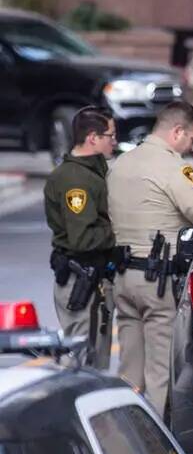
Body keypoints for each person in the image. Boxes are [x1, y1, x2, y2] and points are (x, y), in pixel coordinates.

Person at [108, 102, 193, 416]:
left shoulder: (120, 164)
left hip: (124, 278)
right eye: (191, 139)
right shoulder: (173, 168)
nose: (192, 147)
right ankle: (155, 444)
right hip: (158, 282)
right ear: (177, 131)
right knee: (161, 372)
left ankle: (125, 427)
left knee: (130, 370)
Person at [43, 106, 118, 367]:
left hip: (92, 275)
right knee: (80, 360)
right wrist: (116, 233)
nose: (114, 141)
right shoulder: (76, 180)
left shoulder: (92, 172)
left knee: (96, 359)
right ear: (92, 138)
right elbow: (82, 238)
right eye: (110, 135)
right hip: (81, 277)